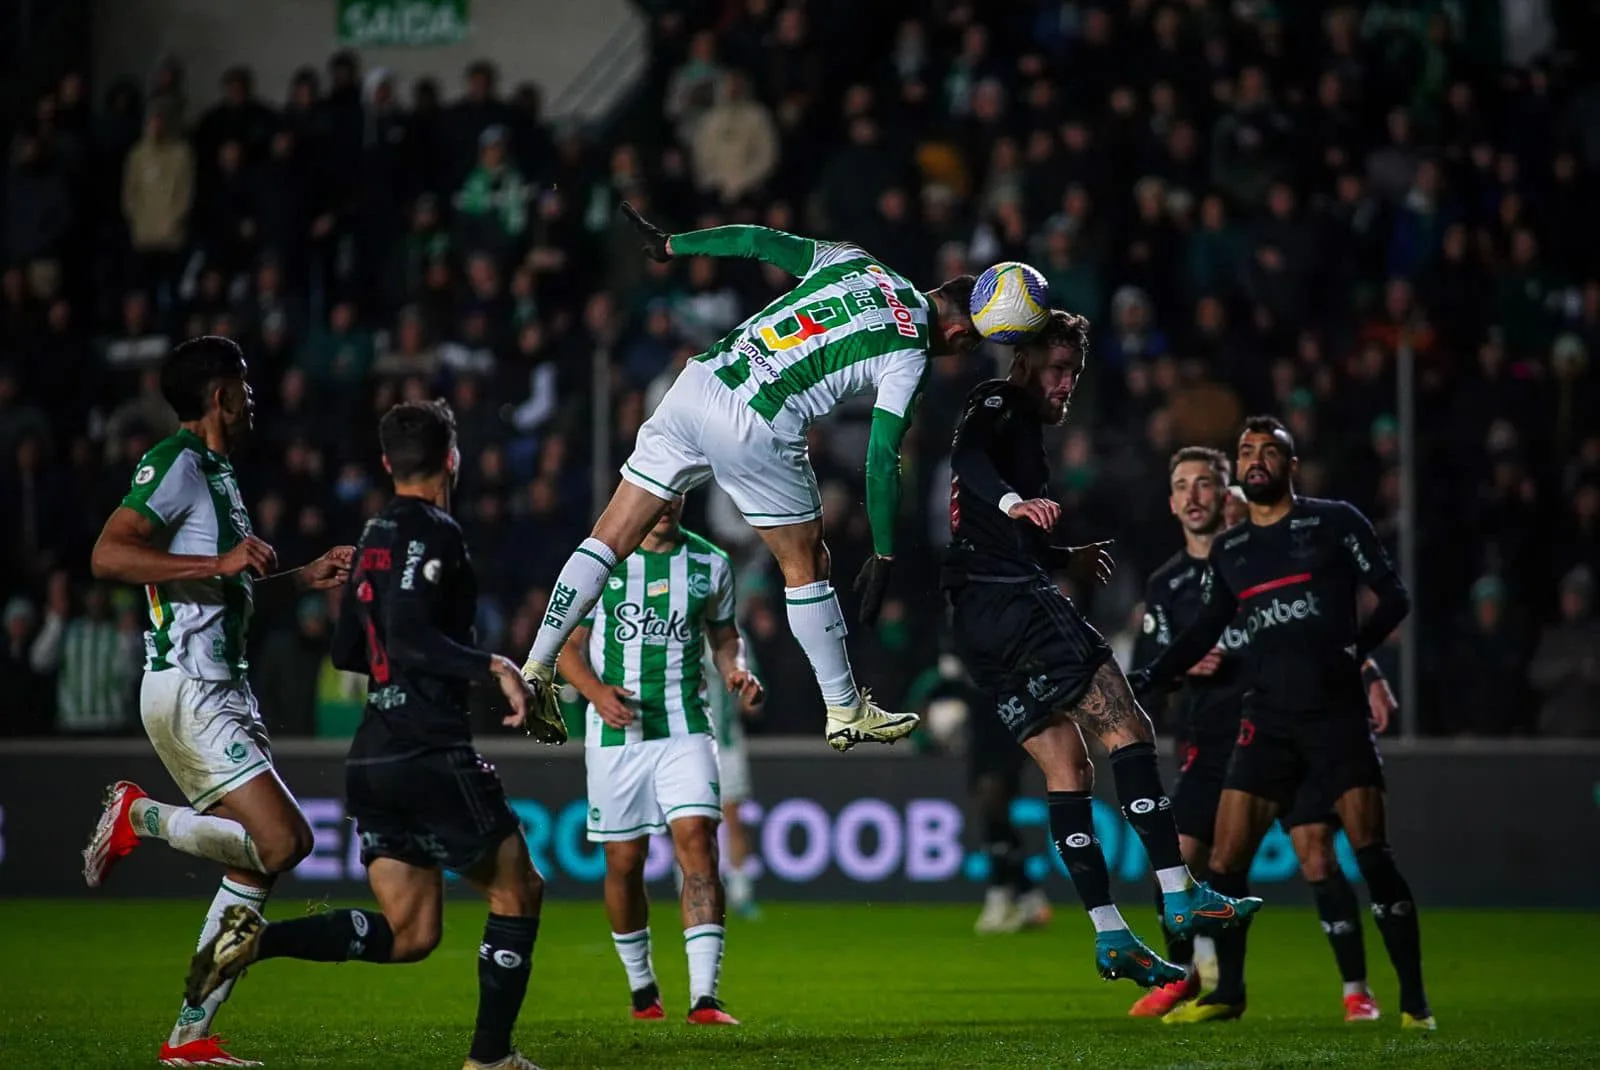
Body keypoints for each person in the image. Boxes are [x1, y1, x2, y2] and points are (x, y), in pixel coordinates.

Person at [522, 202, 985, 753]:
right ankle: (843, 707)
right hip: (758, 419)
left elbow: (756, 240)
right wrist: (885, 552)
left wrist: (674, 245)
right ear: (957, 331)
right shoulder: (911, 348)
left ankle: (538, 663)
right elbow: (883, 456)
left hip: (699, 382)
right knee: (807, 563)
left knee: (609, 538)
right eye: (964, 346)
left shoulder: (858, 262)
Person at [184, 399, 564, 1070]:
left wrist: (407, 645)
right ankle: (491, 1058)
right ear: (452, 457)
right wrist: (493, 665)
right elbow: (413, 637)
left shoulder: (374, 537)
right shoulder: (437, 531)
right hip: (429, 747)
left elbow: (346, 651)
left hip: (375, 755)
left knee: (414, 933)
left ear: (388, 464)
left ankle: (255, 940)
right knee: (519, 889)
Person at [942, 310, 1260, 986]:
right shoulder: (1001, 403)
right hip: (1012, 600)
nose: (1066, 385)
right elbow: (966, 461)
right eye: (1057, 370)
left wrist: (1061, 554)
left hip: (975, 617)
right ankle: (1179, 892)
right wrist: (1014, 507)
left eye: (1074, 374)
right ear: (1025, 363)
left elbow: (995, 524)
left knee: (1068, 766)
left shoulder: (1022, 430)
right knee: (1128, 723)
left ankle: (1110, 934)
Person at [81, 335, 354, 1068]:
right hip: (193, 689)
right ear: (216, 398)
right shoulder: (174, 462)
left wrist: (300, 578)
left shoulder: (217, 472)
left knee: (260, 865)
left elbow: (221, 587)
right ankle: (142, 815)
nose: (251, 395)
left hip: (222, 685)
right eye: (242, 384)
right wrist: (218, 558)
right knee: (288, 841)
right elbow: (109, 553)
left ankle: (189, 1038)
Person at [1129, 416, 1434, 1030]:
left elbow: (1363, 607)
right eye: (1248, 451)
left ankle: (1389, 997)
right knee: (1207, 864)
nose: (1257, 460)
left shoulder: (1327, 523)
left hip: (1326, 715)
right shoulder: (1219, 560)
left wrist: (1359, 661)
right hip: (1247, 727)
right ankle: (1209, 985)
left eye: (1270, 451)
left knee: (1345, 856)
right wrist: (1140, 681)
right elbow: (1196, 634)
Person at [556, 497, 761, 1025]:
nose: (666, 504)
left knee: (697, 842)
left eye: (677, 492)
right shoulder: (601, 563)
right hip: (616, 734)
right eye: (658, 492)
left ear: (686, 497)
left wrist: (734, 668)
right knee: (624, 864)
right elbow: (566, 647)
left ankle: (704, 998)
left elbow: (723, 635)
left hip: (685, 725)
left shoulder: (710, 563)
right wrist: (597, 694)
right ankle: (643, 988)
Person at [704, 634, 764, 920]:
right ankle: (696, 889)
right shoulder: (676, 620)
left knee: (733, 816)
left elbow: (751, 695)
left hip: (727, 741)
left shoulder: (733, 634)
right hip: (687, 740)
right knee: (691, 820)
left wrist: (750, 696)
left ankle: (741, 891)